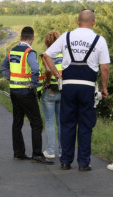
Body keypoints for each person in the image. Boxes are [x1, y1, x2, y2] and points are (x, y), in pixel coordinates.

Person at [43, 9, 110, 171]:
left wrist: (57, 74)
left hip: (68, 86)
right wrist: (104, 88)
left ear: (78, 22)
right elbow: (105, 68)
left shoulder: (66, 37)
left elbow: (46, 55)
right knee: (86, 124)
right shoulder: (99, 40)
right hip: (87, 87)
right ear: (93, 22)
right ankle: (83, 163)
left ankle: (66, 162)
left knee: (67, 123)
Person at [1, 26, 54, 165]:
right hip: (26, 91)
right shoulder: (29, 52)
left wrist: (12, 79)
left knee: (17, 122)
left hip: (14, 90)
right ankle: (37, 154)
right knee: (36, 122)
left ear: (20, 37)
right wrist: (34, 86)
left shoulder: (11, 51)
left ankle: (18, 153)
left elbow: (3, 67)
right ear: (33, 37)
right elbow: (35, 69)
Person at [40, 31, 63, 159]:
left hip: (50, 91)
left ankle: (50, 150)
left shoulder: (46, 54)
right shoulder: (65, 54)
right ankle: (61, 150)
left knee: (49, 122)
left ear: (47, 42)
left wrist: (47, 82)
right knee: (60, 122)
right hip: (63, 90)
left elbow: (48, 70)